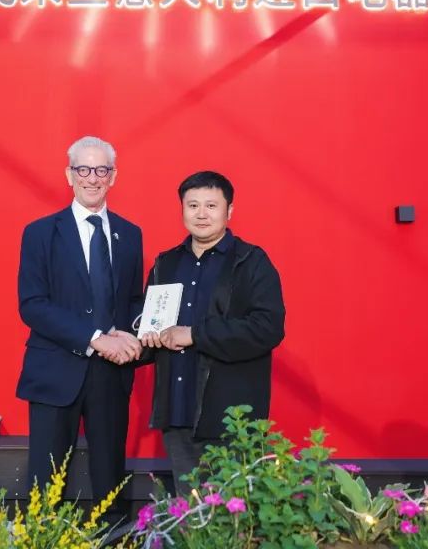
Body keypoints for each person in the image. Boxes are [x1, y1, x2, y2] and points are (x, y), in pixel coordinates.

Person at [16, 136, 144, 516]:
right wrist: (95, 339)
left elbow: (132, 301)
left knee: (110, 484)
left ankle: (113, 539)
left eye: (101, 170)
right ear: (69, 175)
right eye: (83, 169)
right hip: (55, 371)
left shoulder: (130, 234)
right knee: (45, 487)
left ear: (113, 176)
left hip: (111, 374)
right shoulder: (40, 232)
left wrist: (138, 332)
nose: (92, 178)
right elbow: (33, 305)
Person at [139, 171, 285, 495]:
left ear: (229, 211)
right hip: (177, 411)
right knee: (189, 509)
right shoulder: (166, 263)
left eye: (211, 205)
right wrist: (132, 340)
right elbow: (151, 326)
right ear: (182, 209)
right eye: (193, 205)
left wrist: (195, 334)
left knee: (233, 509)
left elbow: (268, 328)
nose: (201, 214)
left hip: (231, 417)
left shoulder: (251, 261)